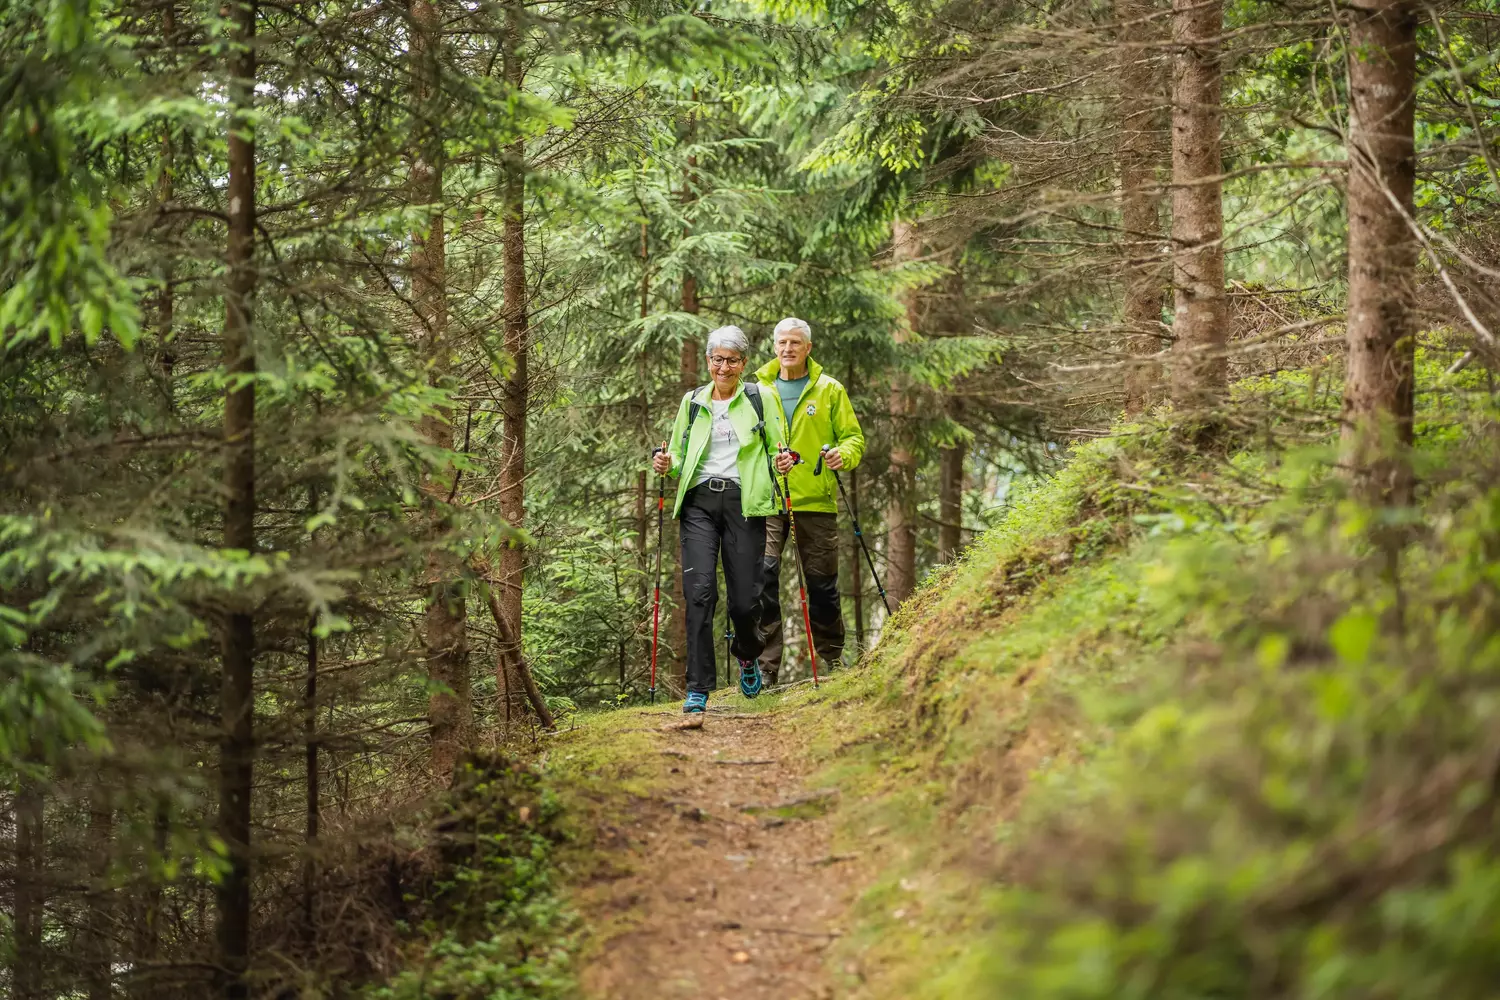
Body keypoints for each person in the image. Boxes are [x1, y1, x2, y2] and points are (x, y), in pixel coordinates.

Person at [652, 326, 796, 714]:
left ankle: (747, 655)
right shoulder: (693, 401)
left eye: (732, 360)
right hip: (698, 502)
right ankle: (698, 689)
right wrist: (666, 464)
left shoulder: (760, 398)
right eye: (718, 359)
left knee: (746, 601)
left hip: (744, 503)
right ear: (709, 361)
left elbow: (778, 449)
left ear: (743, 364)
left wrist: (785, 460)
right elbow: (679, 454)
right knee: (699, 594)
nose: (724, 366)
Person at [753, 317, 866, 685]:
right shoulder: (757, 390)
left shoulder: (830, 390)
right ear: (774, 347)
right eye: (782, 342)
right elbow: (747, 445)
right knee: (763, 578)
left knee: (822, 585)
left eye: (795, 343)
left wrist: (841, 457)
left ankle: (832, 659)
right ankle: (767, 669)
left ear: (808, 348)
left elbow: (853, 438)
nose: (788, 349)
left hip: (815, 501)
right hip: (769, 500)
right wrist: (772, 461)